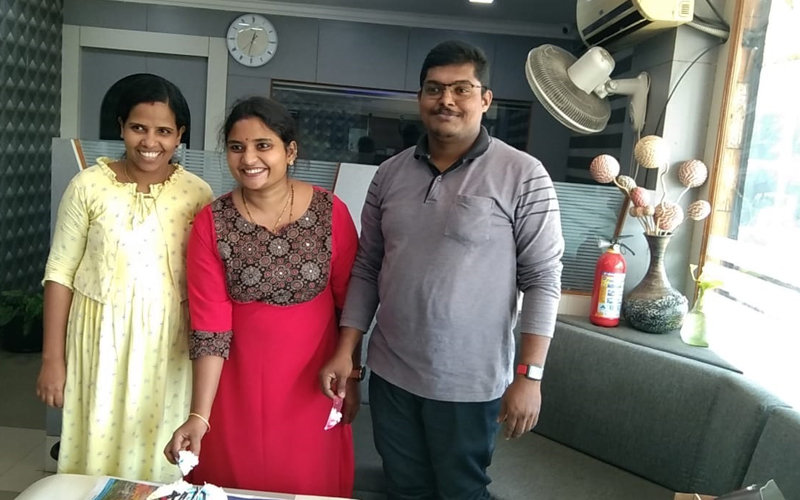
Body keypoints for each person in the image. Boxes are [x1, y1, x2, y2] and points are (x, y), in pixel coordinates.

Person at [320, 40, 565, 500]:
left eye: (461, 89)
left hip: (469, 384)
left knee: (461, 492)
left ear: (485, 99)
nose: (446, 100)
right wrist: (348, 354)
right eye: (434, 89)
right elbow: (368, 268)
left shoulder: (523, 174)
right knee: (403, 489)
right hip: (391, 374)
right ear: (420, 98)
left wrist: (530, 376)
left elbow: (542, 278)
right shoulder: (389, 174)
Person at [164, 96, 360, 498]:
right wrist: (200, 415)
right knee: (236, 480)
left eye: (263, 145)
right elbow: (210, 326)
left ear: (290, 151)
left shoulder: (331, 212)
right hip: (237, 388)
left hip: (315, 382)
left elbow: (352, 303)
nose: (249, 158)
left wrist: (353, 375)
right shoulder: (212, 222)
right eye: (237, 147)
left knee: (307, 481)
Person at [36, 73, 214, 482]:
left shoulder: (198, 194)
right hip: (97, 340)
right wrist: (52, 359)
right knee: (93, 448)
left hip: (168, 347)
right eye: (138, 128)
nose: (150, 142)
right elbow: (60, 272)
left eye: (164, 131)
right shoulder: (88, 185)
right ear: (121, 127)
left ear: (180, 135)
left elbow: (206, 285)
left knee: (155, 452)